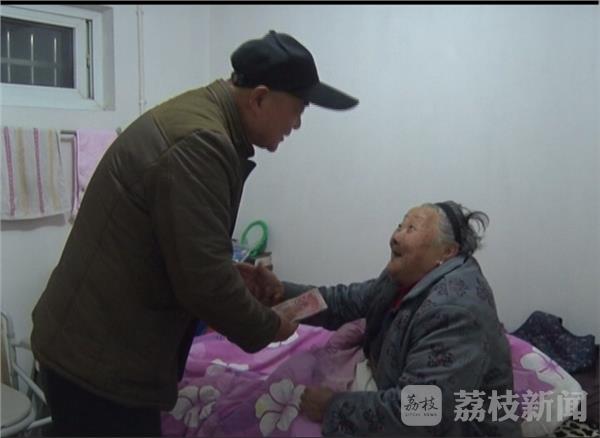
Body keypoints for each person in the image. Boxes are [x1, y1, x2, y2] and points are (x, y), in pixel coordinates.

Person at [30, 30, 358, 437]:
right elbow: (205, 284)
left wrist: (229, 270)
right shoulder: (202, 143)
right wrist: (270, 326)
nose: (297, 124)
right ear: (259, 98)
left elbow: (178, 246)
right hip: (99, 367)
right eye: (297, 109)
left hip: (94, 350)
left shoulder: (201, 118)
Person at [239, 201, 521, 436]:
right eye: (400, 225)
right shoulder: (402, 277)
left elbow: (424, 411)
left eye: (411, 228)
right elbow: (342, 301)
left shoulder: (455, 311)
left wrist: (332, 408)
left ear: (447, 252)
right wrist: (280, 295)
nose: (395, 237)